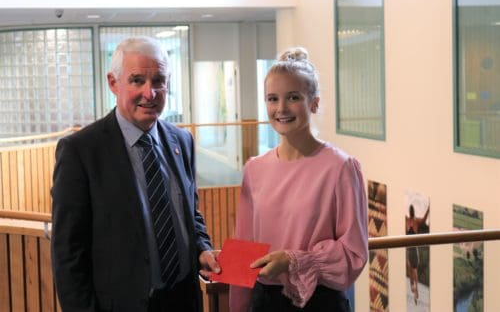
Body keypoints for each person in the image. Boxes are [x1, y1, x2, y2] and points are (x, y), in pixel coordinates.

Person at [51, 36, 220, 312]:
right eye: (137, 80)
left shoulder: (182, 141)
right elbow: (68, 255)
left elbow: (190, 214)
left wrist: (202, 247)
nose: (149, 93)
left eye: (158, 81)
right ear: (113, 83)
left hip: (183, 300)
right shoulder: (80, 151)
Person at [229, 47, 368, 311]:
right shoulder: (254, 169)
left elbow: (354, 254)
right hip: (263, 304)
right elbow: (243, 250)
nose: (281, 108)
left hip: (320, 302)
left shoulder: (341, 167)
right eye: (272, 99)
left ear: (313, 103)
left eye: (293, 97)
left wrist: (294, 261)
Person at [405, 203, 430, 305]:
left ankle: (414, 291)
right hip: (413, 250)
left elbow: (424, 220)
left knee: (412, 270)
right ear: (413, 212)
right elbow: (424, 219)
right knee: (413, 271)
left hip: (409, 249)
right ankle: (416, 291)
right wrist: (428, 209)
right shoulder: (415, 221)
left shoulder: (407, 220)